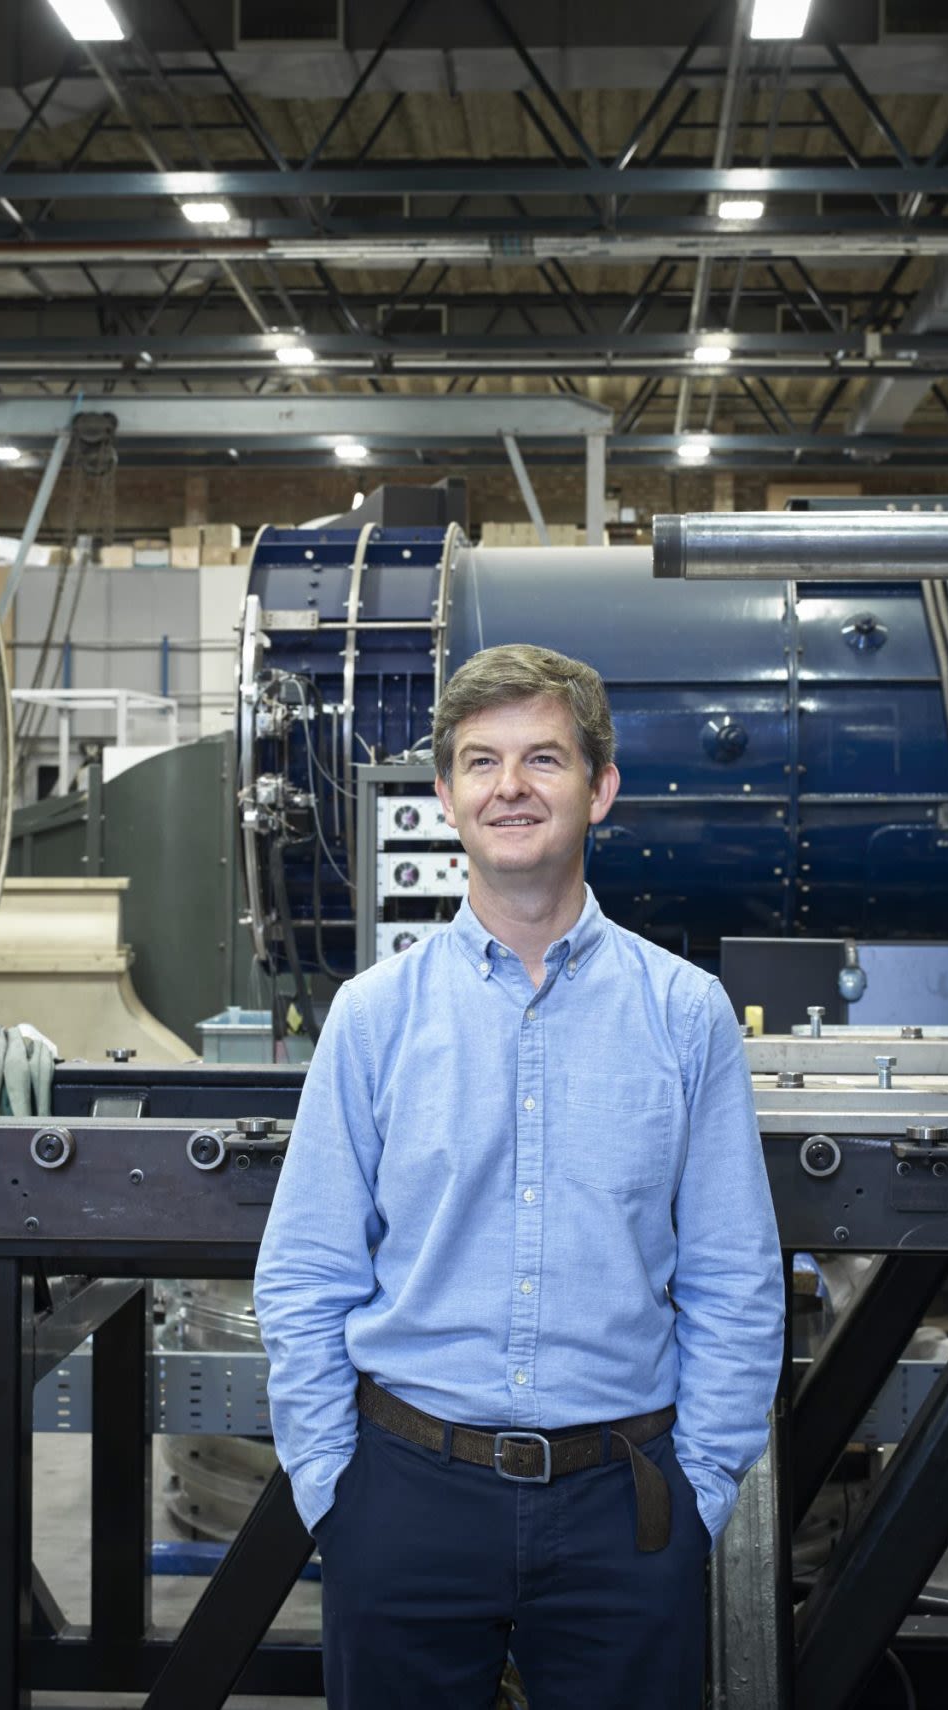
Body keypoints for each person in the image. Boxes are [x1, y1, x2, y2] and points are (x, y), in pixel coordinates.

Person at [254, 643, 783, 1708]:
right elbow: (306, 1270)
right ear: (444, 794)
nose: (511, 788)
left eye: (544, 758)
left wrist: (704, 1489)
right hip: (404, 1495)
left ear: (601, 789)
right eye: (481, 762)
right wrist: (333, 1490)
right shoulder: (373, 1017)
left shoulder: (685, 1014)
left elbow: (735, 1278)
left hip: (624, 1506)